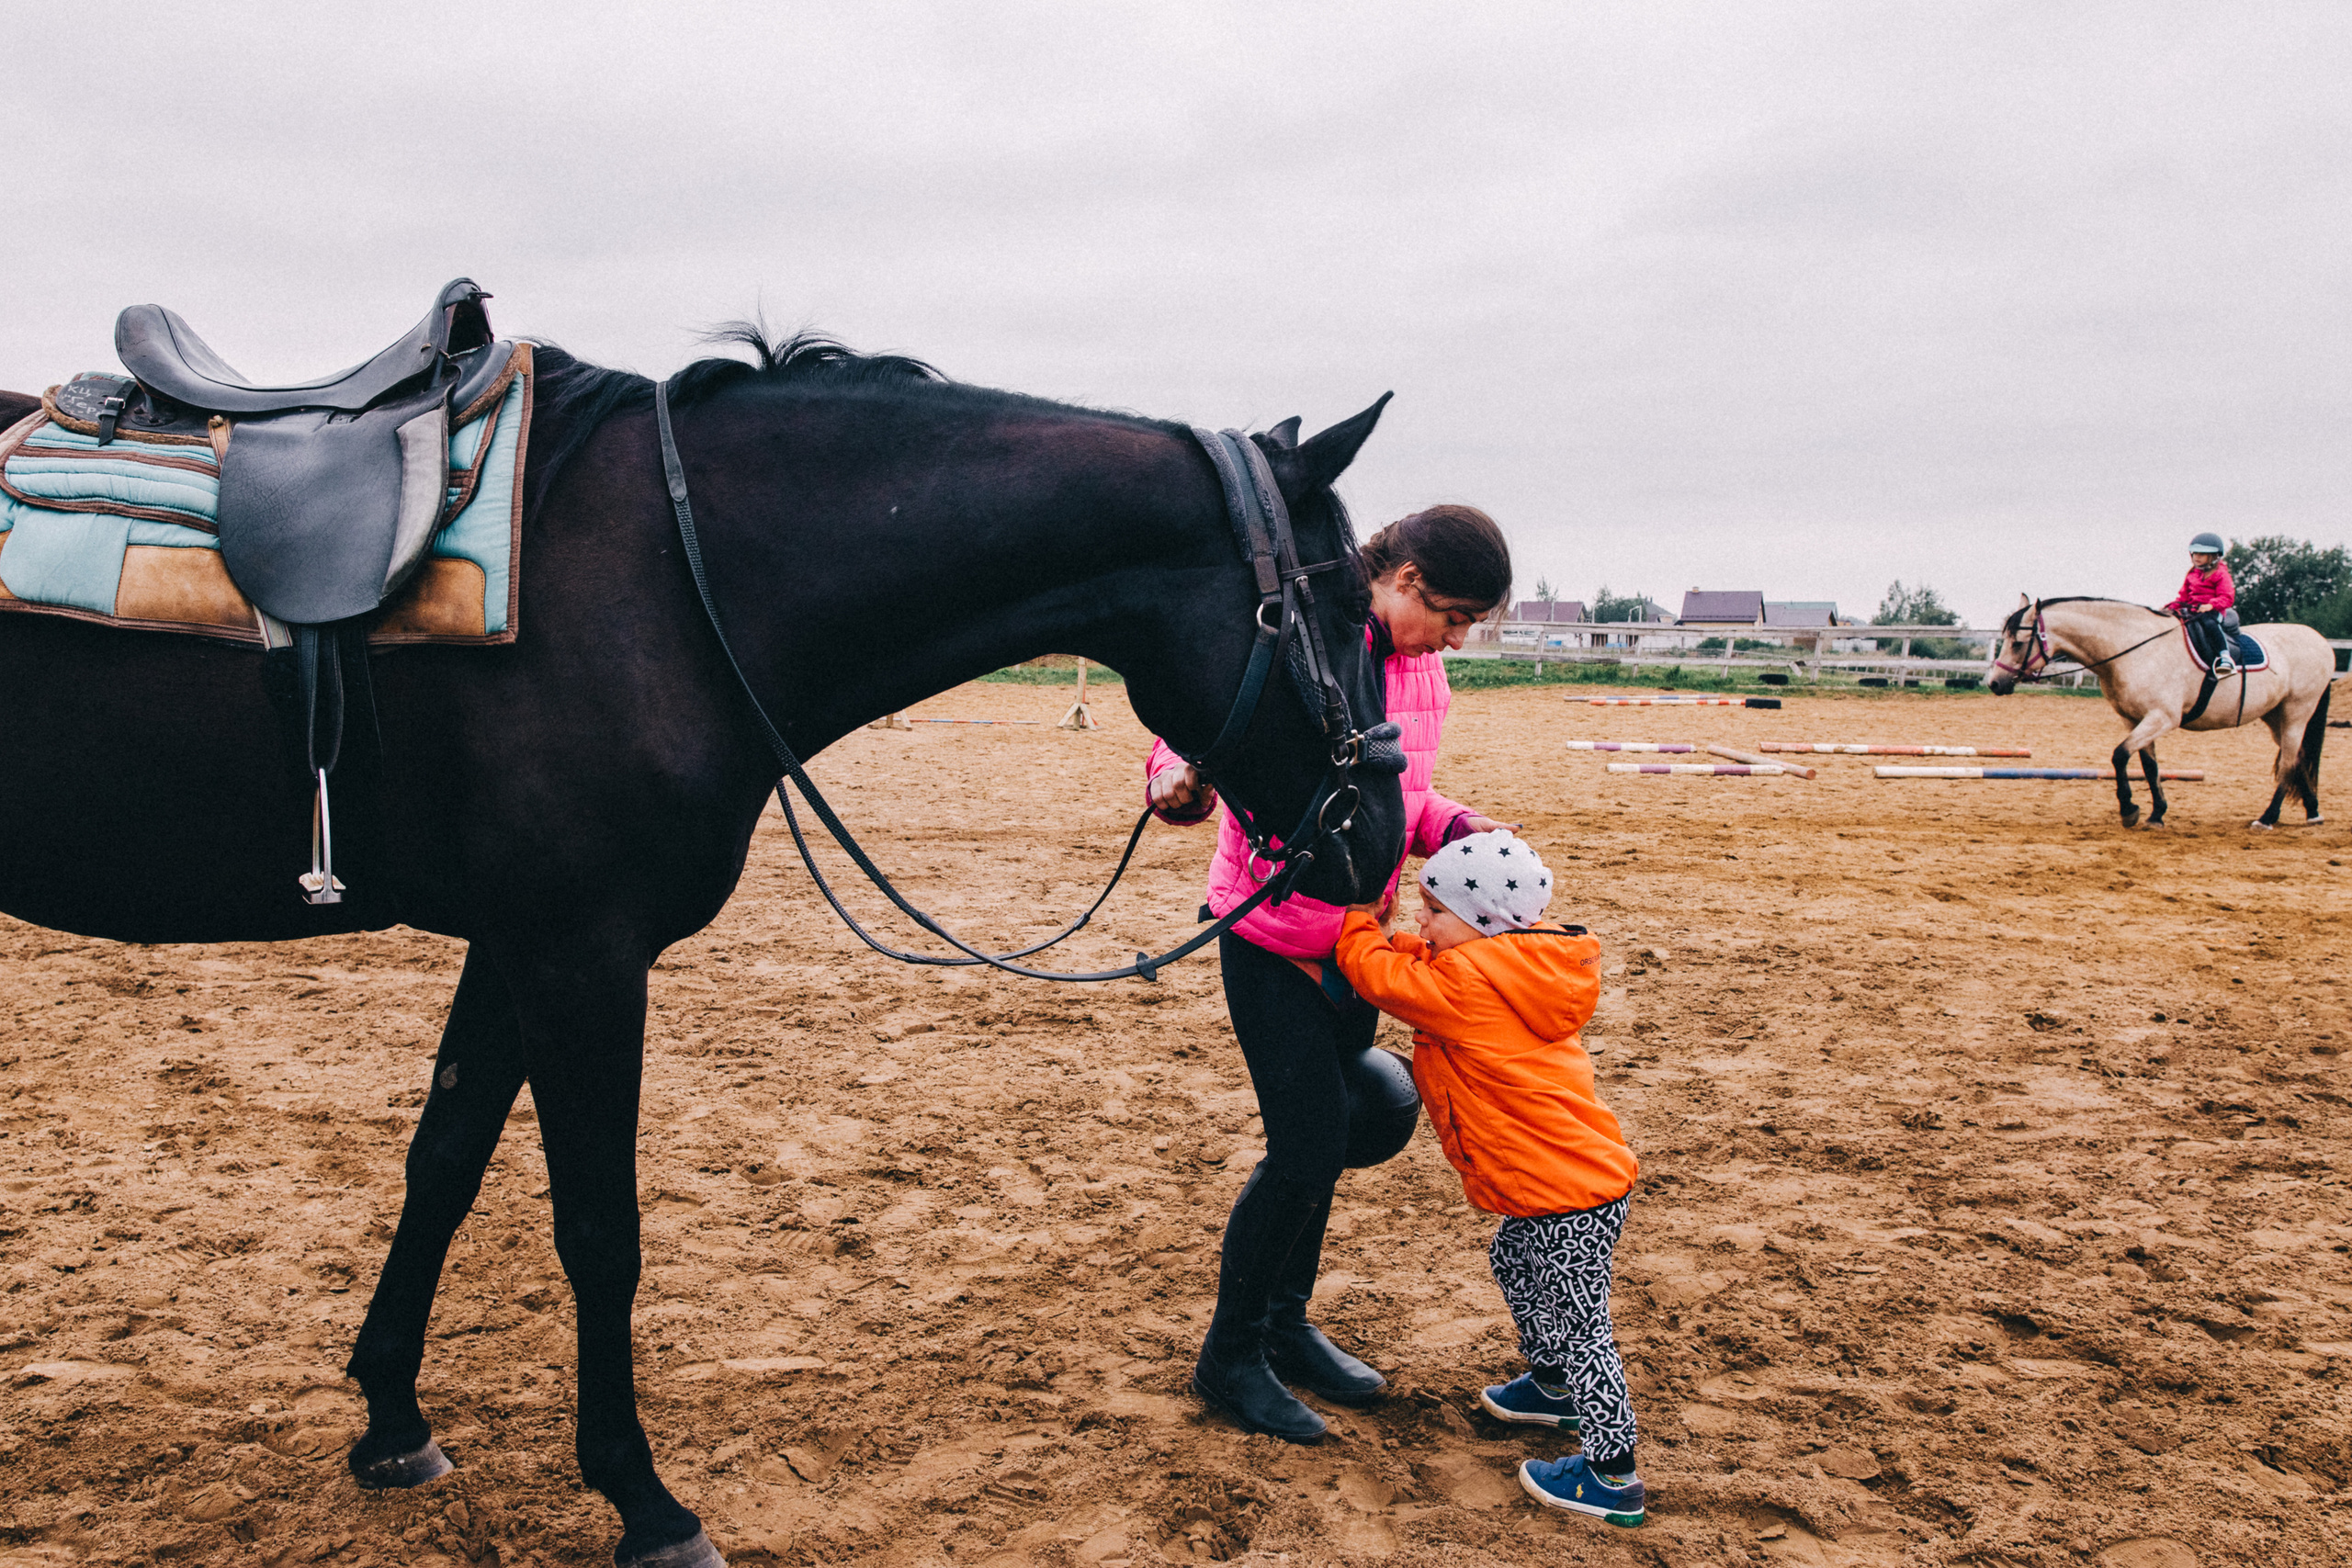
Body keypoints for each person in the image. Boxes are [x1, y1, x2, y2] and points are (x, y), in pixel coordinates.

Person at [1145, 503, 1514, 1444]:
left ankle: (1283, 1325)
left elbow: (1407, 794)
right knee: (1304, 1147)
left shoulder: (1421, 673)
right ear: (1405, 584)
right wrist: (1174, 777)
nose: (1457, 639)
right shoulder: (1298, 633)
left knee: (1332, 1135)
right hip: (1266, 929)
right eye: (1455, 617)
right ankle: (1229, 1360)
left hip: (1359, 935)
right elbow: (1202, 717)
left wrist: (1462, 829)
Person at [1334, 830, 1646, 1529]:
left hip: (1567, 1192)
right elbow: (1432, 960)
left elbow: (1384, 978)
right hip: (1572, 1185)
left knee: (1581, 1320)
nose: (1420, 923)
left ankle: (1613, 1471)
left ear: (1476, 923)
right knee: (1512, 1258)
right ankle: (1555, 1384)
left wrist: (1361, 921)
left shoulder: (1466, 984)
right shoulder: (1508, 965)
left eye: (1432, 911)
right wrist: (1409, 933)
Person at [2165, 532, 2239, 676]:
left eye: (2202, 554)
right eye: (2195, 553)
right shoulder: (2192, 574)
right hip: (2193, 611)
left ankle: (2225, 657)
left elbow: (2227, 597)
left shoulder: (2221, 574)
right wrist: (2171, 608)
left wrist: (2210, 605)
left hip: (2212, 612)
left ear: (2214, 556)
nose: (2196, 557)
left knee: (2210, 624)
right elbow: (2184, 596)